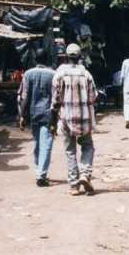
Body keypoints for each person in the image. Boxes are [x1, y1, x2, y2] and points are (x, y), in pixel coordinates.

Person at [51, 43, 97, 196]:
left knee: (70, 150)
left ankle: (74, 185)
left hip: (66, 118)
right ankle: (85, 174)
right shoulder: (87, 74)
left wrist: (53, 119)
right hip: (84, 117)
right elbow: (93, 97)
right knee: (88, 146)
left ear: (65, 56)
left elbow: (55, 100)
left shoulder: (59, 73)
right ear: (80, 57)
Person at [18, 48, 56, 186]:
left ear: (35, 59)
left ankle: (39, 170)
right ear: (47, 59)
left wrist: (22, 115)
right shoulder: (53, 74)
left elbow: (24, 96)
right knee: (46, 144)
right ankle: (41, 174)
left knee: (37, 143)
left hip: (33, 113)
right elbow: (56, 97)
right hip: (48, 114)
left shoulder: (28, 74)